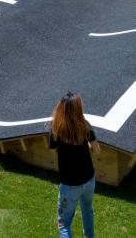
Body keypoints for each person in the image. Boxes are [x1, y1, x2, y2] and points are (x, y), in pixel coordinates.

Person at [49, 92, 100, 238]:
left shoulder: (56, 128)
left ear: (61, 108)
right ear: (78, 108)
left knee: (63, 223)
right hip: (89, 180)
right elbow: (97, 150)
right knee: (87, 211)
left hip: (69, 185)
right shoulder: (85, 125)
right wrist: (87, 145)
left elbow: (52, 150)